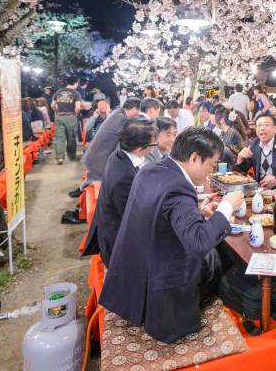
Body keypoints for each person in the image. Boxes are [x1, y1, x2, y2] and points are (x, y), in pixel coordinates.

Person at [99, 128, 244, 344]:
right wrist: (226, 207)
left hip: (133, 266)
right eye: (211, 165)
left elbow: (159, 211)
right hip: (161, 278)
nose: (211, 172)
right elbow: (199, 242)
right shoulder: (178, 186)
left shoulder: (152, 169)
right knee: (215, 256)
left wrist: (195, 211)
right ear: (194, 158)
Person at [83, 121, 157, 266]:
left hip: (114, 228)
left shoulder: (119, 155)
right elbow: (133, 219)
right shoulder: (124, 178)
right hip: (117, 245)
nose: (155, 146)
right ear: (140, 149)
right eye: (153, 144)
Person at [63, 99, 142, 223]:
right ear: (133, 108)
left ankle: (79, 207)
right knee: (96, 187)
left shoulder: (117, 113)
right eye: (138, 110)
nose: (138, 113)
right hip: (100, 159)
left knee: (91, 181)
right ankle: (79, 213)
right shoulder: (123, 119)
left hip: (95, 155)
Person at [233, 113, 276, 188]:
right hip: (259, 190)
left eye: (266, 125)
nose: (262, 128)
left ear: (275, 128)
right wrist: (240, 158)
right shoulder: (254, 144)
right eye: (259, 125)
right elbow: (243, 170)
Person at [52, 77, 84, 164]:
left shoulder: (58, 92)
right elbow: (78, 107)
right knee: (72, 138)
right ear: (76, 83)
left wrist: (57, 112)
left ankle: (60, 158)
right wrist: (75, 113)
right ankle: (72, 156)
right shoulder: (76, 93)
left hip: (59, 117)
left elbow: (52, 105)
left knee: (59, 138)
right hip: (71, 117)